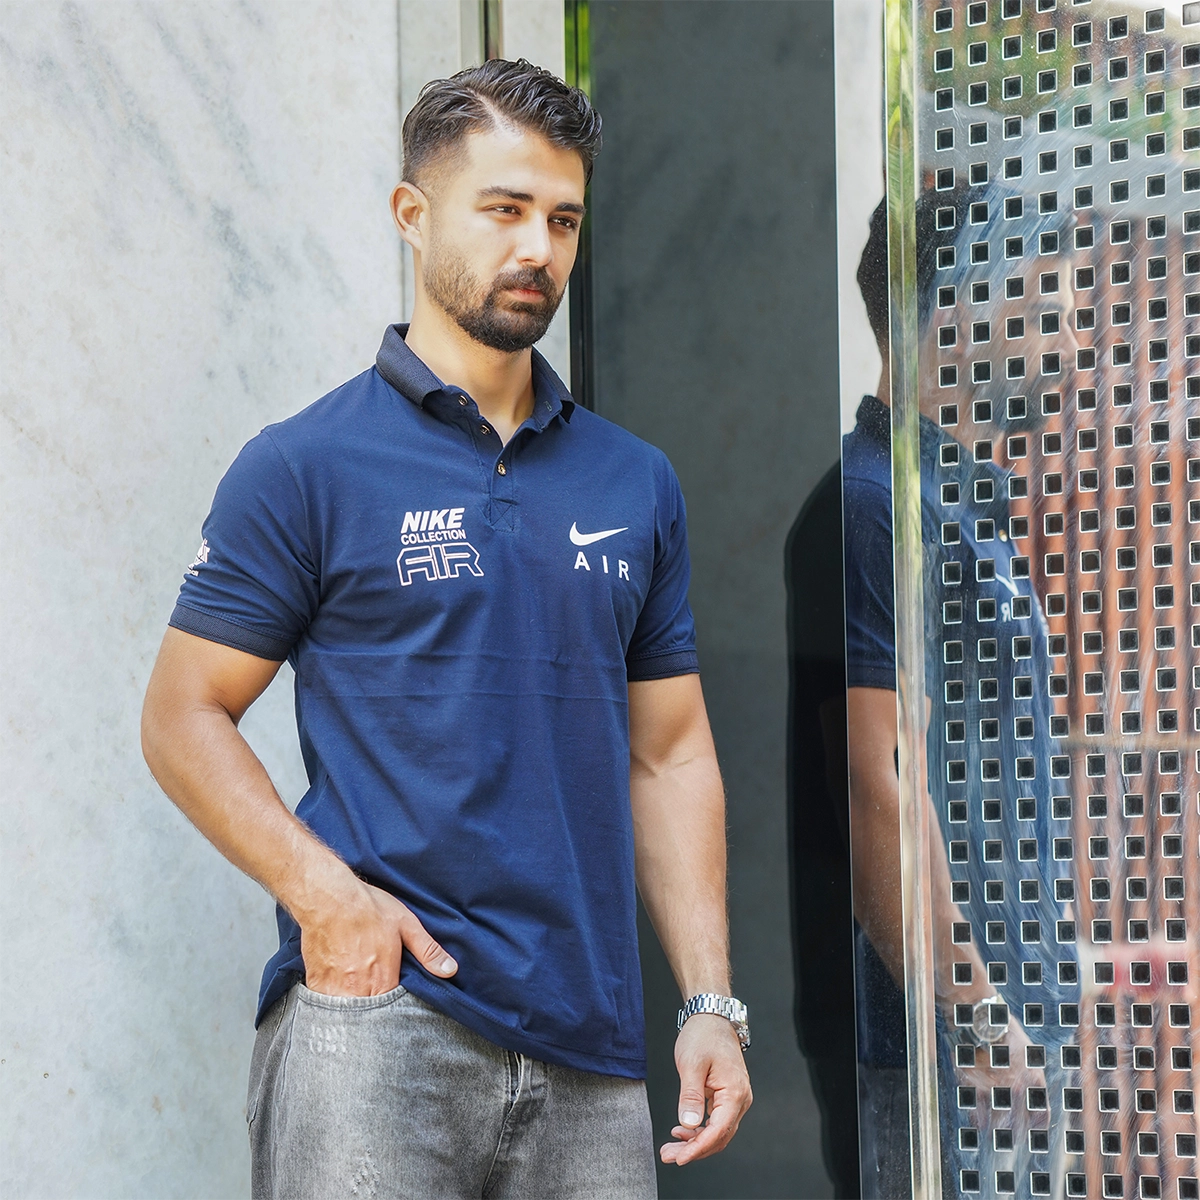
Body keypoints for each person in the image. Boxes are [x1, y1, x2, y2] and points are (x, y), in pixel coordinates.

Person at [141, 58, 751, 1199]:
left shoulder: (636, 482)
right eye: (504, 209)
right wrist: (329, 903)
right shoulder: (306, 465)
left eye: (563, 220)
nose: (539, 249)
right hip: (380, 1030)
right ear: (412, 215)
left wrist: (709, 1001)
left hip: (593, 1055)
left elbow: (670, 755)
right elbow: (183, 716)